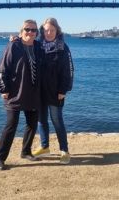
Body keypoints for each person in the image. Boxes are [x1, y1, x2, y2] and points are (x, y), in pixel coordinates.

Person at [0, 19, 45, 171]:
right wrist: (3, 89)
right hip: (15, 93)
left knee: (32, 124)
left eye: (33, 30)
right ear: (21, 31)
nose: (30, 32)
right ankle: (0, 158)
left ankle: (26, 151)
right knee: (11, 126)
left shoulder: (39, 47)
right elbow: (2, 69)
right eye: (27, 29)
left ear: (37, 33)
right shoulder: (13, 46)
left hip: (33, 93)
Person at [31, 17, 74, 164]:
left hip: (56, 91)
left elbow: (69, 71)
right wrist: (14, 40)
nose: (49, 33)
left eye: (52, 30)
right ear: (42, 31)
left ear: (57, 31)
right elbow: (22, 46)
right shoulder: (37, 46)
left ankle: (64, 150)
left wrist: (64, 89)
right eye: (46, 30)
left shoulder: (63, 47)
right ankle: (44, 146)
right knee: (41, 121)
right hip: (39, 91)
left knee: (57, 121)